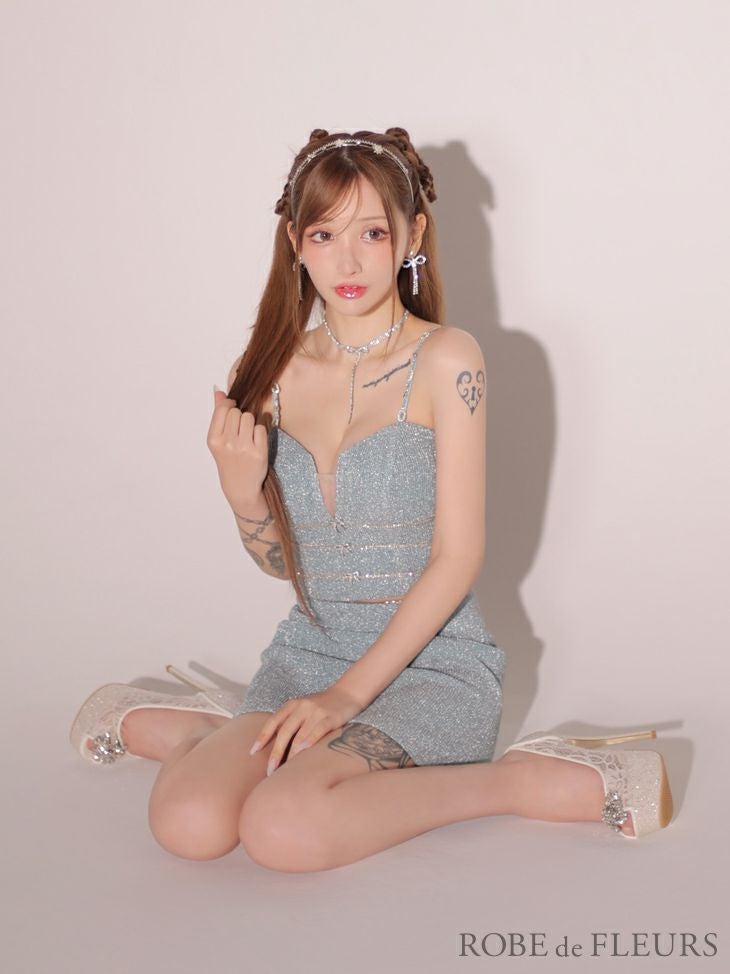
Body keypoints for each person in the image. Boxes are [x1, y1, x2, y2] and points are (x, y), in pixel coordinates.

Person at [69, 127, 674, 872]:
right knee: (188, 823)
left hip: (433, 661)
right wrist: (239, 494)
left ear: (412, 235)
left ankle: (517, 780)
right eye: (324, 234)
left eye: (373, 232)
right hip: (309, 654)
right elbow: (283, 565)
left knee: (285, 830)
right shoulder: (271, 369)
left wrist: (348, 699)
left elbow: (459, 558)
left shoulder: (447, 359)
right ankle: (199, 731)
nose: (348, 261)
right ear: (295, 242)